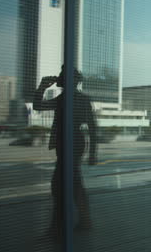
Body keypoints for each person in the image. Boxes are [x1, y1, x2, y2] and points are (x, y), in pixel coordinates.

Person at [33, 66, 97, 238]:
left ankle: (58, 227)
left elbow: (92, 126)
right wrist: (42, 86)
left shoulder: (72, 99)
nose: (58, 76)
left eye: (62, 74)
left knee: (60, 186)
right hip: (70, 144)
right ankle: (83, 221)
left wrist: (42, 87)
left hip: (71, 144)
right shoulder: (67, 98)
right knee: (73, 185)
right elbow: (38, 106)